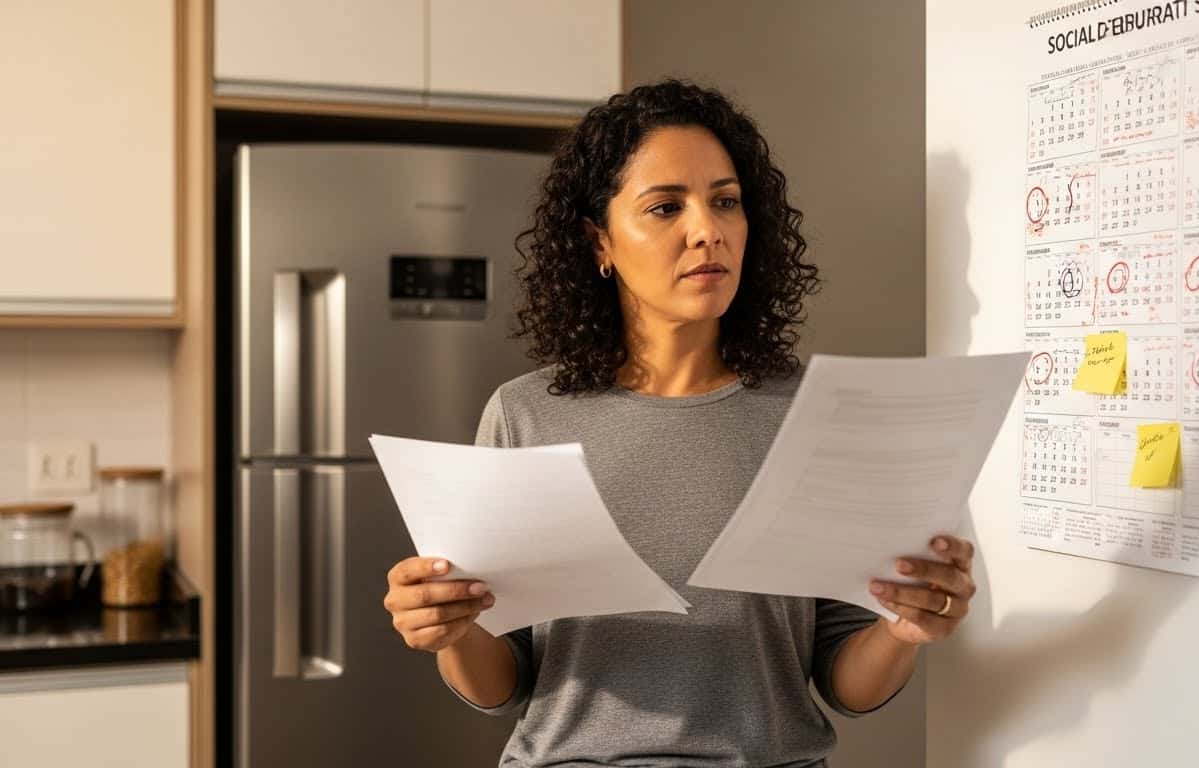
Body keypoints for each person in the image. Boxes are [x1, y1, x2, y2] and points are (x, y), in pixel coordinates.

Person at [382, 79, 977, 767]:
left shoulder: (813, 412)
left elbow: (846, 682)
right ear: (598, 241)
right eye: (665, 207)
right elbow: (500, 683)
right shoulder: (525, 413)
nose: (707, 229)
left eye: (725, 201)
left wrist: (904, 629)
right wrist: (449, 632)